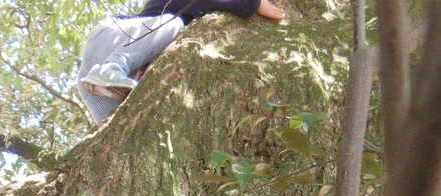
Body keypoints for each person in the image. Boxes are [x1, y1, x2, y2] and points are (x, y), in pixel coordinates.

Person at [78, 0, 285, 123]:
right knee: (173, 22)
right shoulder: (163, 13)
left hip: (93, 84)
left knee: (120, 135)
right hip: (112, 41)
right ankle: (113, 67)